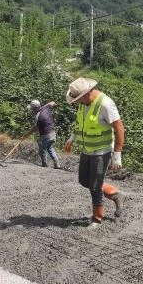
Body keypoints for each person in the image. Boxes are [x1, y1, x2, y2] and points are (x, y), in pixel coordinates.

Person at [63, 77, 127, 229]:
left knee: (95, 186)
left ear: (85, 94)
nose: (76, 102)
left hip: (102, 151)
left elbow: (119, 128)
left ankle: (97, 218)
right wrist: (72, 137)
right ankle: (115, 194)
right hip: (87, 149)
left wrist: (117, 154)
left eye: (78, 99)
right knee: (84, 180)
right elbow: (81, 123)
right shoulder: (84, 104)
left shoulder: (105, 104)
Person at [24, 99, 61, 169]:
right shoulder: (46, 108)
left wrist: (27, 134)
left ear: (35, 108)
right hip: (53, 133)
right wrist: (48, 105)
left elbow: (35, 128)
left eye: (32, 109)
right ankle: (57, 164)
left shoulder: (38, 116)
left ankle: (44, 164)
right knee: (50, 148)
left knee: (42, 149)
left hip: (46, 135)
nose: (32, 110)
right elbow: (53, 102)